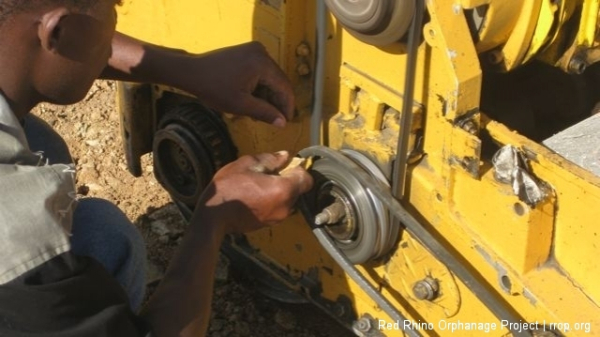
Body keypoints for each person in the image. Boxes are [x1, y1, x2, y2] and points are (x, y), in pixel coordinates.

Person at [0, 0, 313, 336]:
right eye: (113, 8)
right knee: (108, 240)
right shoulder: (20, 234)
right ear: (57, 31)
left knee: (43, 146)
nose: (115, 28)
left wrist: (186, 69)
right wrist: (215, 217)